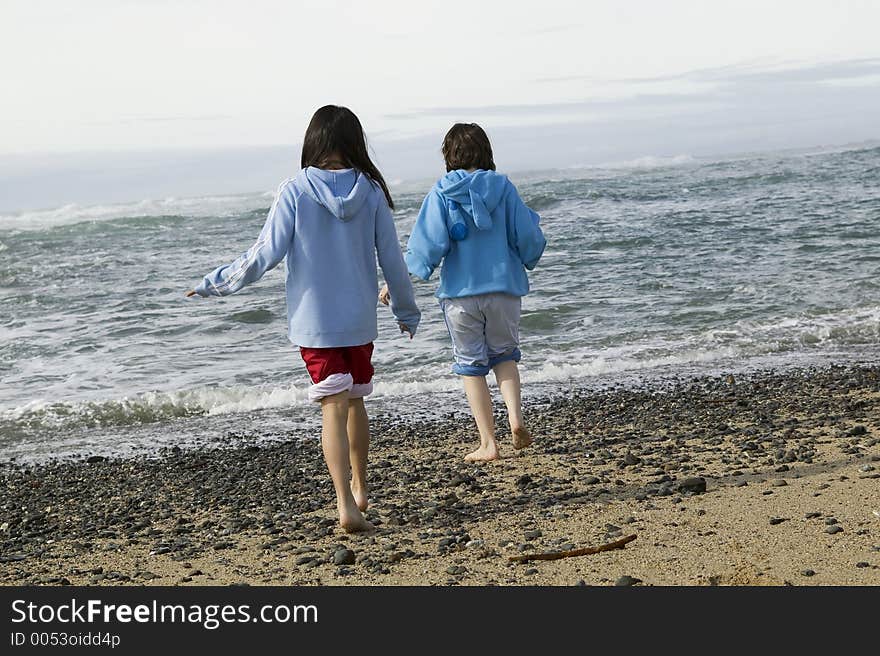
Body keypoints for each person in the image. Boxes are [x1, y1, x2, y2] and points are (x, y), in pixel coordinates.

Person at [187, 105, 420, 531]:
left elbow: (264, 255)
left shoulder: (295, 190)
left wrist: (213, 283)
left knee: (332, 407)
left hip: (315, 324)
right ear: (354, 144)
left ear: (312, 143)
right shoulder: (369, 190)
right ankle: (362, 488)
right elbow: (393, 260)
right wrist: (406, 311)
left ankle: (345, 506)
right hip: (359, 322)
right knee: (355, 402)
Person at [383, 123, 545, 462]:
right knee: (505, 355)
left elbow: (426, 246)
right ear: (487, 153)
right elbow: (527, 236)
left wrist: (397, 282)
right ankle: (515, 418)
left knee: (471, 366)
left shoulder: (442, 192)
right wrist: (530, 256)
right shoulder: (504, 188)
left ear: (449, 156)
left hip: (461, 295)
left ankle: (489, 443)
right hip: (503, 291)